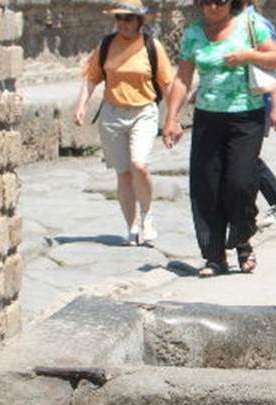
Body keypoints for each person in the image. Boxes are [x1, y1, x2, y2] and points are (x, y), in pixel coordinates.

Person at [161, 0, 276, 277]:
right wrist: (171, 118)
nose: (213, 7)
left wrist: (246, 56)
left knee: (240, 182)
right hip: (207, 117)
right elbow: (182, 78)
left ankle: (242, 240)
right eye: (207, 1)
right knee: (207, 187)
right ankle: (215, 258)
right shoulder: (193, 34)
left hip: (246, 116)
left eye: (220, 1)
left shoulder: (251, 26)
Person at [74, 0, 174, 246]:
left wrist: (173, 119)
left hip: (143, 112)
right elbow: (91, 77)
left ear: (139, 21)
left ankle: (147, 215)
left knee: (139, 165)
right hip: (112, 114)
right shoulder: (107, 45)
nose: (122, 23)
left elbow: (167, 84)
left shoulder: (151, 46)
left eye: (128, 18)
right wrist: (81, 105)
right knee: (124, 174)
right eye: (119, 18)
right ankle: (132, 227)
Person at [245, 0, 276, 230]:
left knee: (245, 157)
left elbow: (272, 66)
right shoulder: (228, 24)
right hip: (237, 103)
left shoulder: (257, 24)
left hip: (256, 102)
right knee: (243, 157)